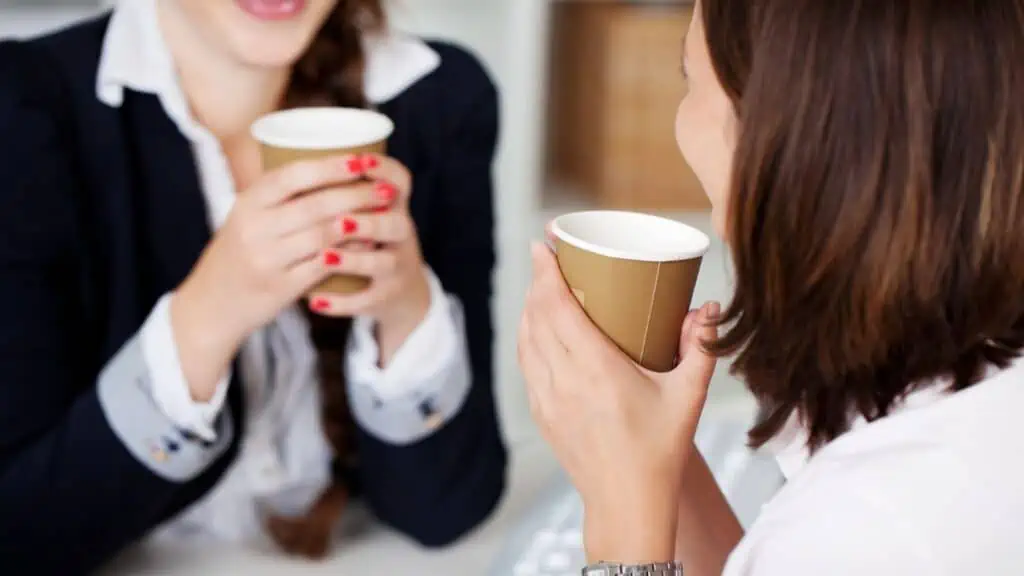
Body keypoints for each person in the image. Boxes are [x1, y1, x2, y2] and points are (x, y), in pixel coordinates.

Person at [0, 0, 507, 572]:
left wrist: (404, 303)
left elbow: (450, 509)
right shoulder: (24, 107)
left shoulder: (437, 97)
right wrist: (211, 312)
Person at [519, 0, 1024, 574]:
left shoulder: (867, 531)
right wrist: (652, 463)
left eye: (689, 80)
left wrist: (620, 531)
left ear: (765, 140)